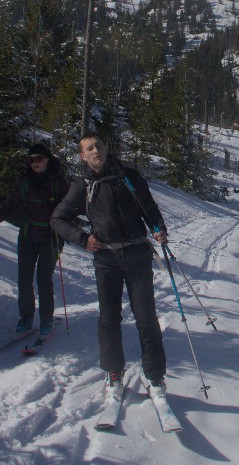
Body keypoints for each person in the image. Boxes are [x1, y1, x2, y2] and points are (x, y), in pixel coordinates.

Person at [50, 133, 168, 395]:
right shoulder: (83, 185)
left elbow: (148, 207)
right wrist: (83, 239)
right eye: (89, 148)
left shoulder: (129, 176)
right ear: (83, 155)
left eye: (99, 146)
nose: (96, 151)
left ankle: (156, 376)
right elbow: (58, 219)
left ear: (106, 148)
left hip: (138, 255)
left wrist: (159, 229)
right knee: (109, 319)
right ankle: (114, 373)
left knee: (146, 318)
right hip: (107, 259)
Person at [0, 142, 69, 336]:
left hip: (51, 237)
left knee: (44, 279)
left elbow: (68, 207)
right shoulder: (24, 180)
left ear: (47, 159)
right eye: (31, 160)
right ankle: (26, 318)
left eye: (38, 159)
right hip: (28, 235)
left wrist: (65, 229)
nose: (34, 163)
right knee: (24, 279)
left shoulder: (58, 180)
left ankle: (46, 321)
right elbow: (13, 203)